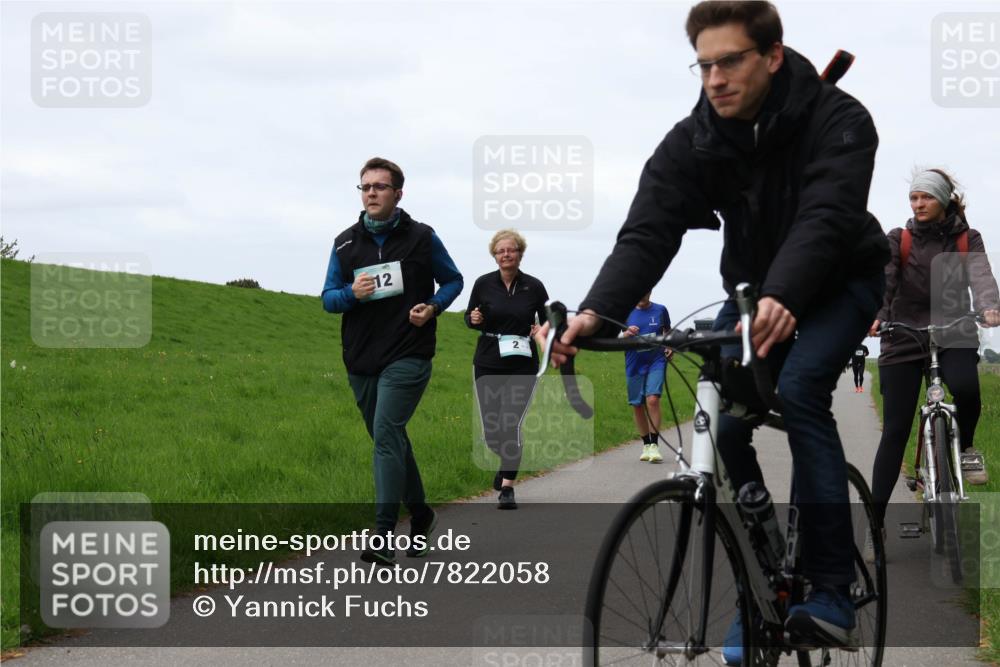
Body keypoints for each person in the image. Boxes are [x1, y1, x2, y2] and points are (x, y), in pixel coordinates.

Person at [537, 2, 889, 659]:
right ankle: (763, 582)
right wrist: (594, 312)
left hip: (840, 282)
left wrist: (784, 294)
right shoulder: (696, 140)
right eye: (704, 65)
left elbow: (827, 216)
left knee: (806, 387)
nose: (715, 78)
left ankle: (832, 589)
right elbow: (649, 230)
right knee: (723, 423)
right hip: (754, 291)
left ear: (773, 56)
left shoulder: (840, 120)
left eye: (730, 61)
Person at [322, 157, 464, 566]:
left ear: (398, 193)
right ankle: (422, 515)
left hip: (408, 353)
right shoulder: (345, 243)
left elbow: (453, 279)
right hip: (361, 357)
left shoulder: (422, 237)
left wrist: (433, 307)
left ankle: (383, 533)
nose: (371, 193)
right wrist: (353, 293)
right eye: (365, 187)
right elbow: (328, 298)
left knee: (386, 432)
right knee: (391, 440)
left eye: (380, 187)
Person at [869, 169, 999, 525]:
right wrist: (878, 315)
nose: (919, 203)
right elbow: (886, 281)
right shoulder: (900, 238)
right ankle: (875, 524)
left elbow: (981, 276)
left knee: (966, 389)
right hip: (904, 334)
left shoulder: (966, 239)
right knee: (895, 430)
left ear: (943, 200)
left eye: (926, 197)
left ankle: (967, 448)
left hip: (954, 329)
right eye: (914, 197)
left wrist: (990, 306)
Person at [465, 230, 548, 510]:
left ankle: (508, 488)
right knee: (492, 430)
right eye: (500, 251)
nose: (506, 255)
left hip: (523, 364)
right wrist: (474, 318)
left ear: (520, 253)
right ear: (494, 255)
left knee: (510, 424)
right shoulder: (483, 284)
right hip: (488, 360)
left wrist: (542, 330)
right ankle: (505, 463)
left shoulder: (534, 287)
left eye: (511, 250)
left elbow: (549, 322)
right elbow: (470, 317)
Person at [621, 293, 672, 463]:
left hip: (656, 361)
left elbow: (667, 332)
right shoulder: (625, 311)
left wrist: (669, 346)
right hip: (634, 363)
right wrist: (626, 335)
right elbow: (615, 338)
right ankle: (646, 445)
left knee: (652, 399)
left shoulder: (660, 310)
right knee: (637, 405)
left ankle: (655, 446)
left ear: (650, 291)